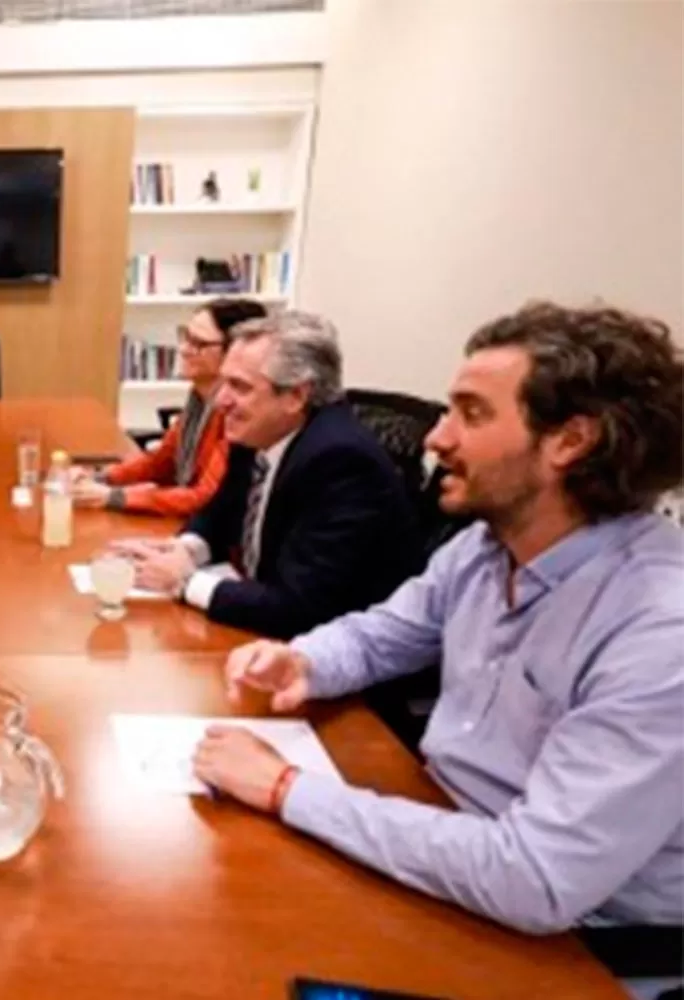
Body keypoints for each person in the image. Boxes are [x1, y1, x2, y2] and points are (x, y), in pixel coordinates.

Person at [193, 303, 684, 949]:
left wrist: (285, 788)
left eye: (472, 413)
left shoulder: (658, 630)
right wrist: (307, 660)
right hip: (441, 844)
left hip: (578, 942)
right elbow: (386, 633)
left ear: (571, 441)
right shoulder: (485, 546)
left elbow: (535, 878)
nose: (436, 438)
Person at [118, 310, 419, 638]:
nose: (221, 401)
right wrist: (185, 550)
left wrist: (185, 581)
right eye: (224, 382)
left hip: (331, 659)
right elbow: (221, 511)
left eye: (239, 387)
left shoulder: (341, 462)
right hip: (262, 627)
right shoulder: (258, 431)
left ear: (296, 396)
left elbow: (299, 606)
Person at [73, 298, 267, 516]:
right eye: (185, 336)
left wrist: (113, 496)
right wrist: (102, 477)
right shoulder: (198, 399)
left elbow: (203, 498)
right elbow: (161, 462)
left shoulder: (234, 413)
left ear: (233, 352)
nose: (183, 349)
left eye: (199, 344)